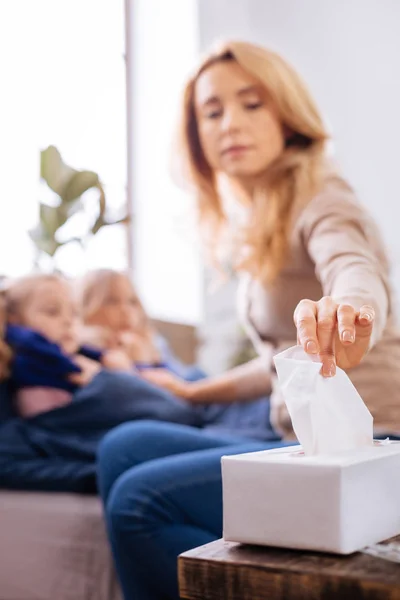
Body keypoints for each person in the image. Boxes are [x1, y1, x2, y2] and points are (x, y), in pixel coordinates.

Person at [97, 39, 400, 600]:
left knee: (140, 501)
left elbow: (355, 268)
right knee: (124, 445)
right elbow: (279, 359)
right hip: (298, 435)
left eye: (252, 103)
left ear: (287, 115)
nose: (230, 123)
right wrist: (192, 394)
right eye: (211, 112)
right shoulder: (263, 212)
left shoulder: (323, 196)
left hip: (375, 440)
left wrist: (352, 311)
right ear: (196, 134)